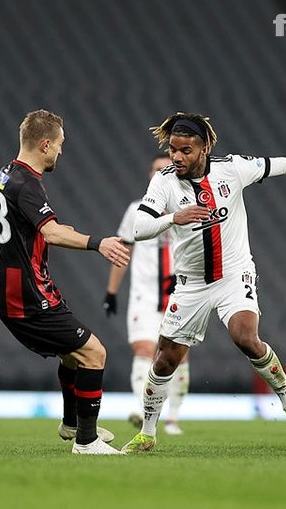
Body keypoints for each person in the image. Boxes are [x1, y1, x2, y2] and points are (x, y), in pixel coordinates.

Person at [122, 112, 286, 453]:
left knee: (245, 337)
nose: (177, 157)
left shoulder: (233, 169)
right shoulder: (164, 181)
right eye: (173, 150)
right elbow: (138, 229)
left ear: (205, 147)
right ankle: (147, 433)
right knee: (165, 360)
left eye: (185, 150)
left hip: (233, 274)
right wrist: (173, 217)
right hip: (191, 283)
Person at [0, 109, 131, 455]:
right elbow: (50, 233)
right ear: (45, 144)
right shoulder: (28, 186)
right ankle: (86, 441)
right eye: (60, 145)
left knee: (71, 356)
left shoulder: (2, 178)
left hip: (12, 289)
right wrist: (99, 243)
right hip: (28, 297)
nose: (62, 152)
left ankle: (71, 424)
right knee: (95, 353)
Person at [103, 153, 190, 435]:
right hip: (144, 293)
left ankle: (172, 419)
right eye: (156, 170)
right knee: (143, 349)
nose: (160, 173)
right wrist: (111, 291)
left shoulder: (189, 207)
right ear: (150, 175)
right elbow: (123, 250)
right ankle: (143, 410)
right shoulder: (136, 210)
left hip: (180, 293)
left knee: (178, 356)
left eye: (166, 169)